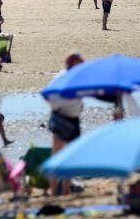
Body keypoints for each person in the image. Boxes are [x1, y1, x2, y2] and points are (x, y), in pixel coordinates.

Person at [48, 52, 83, 195]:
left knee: (71, 156)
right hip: (61, 117)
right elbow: (47, 94)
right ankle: (54, 190)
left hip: (74, 119)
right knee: (57, 155)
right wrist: (57, 108)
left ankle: (66, 190)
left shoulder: (80, 77)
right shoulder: (62, 76)